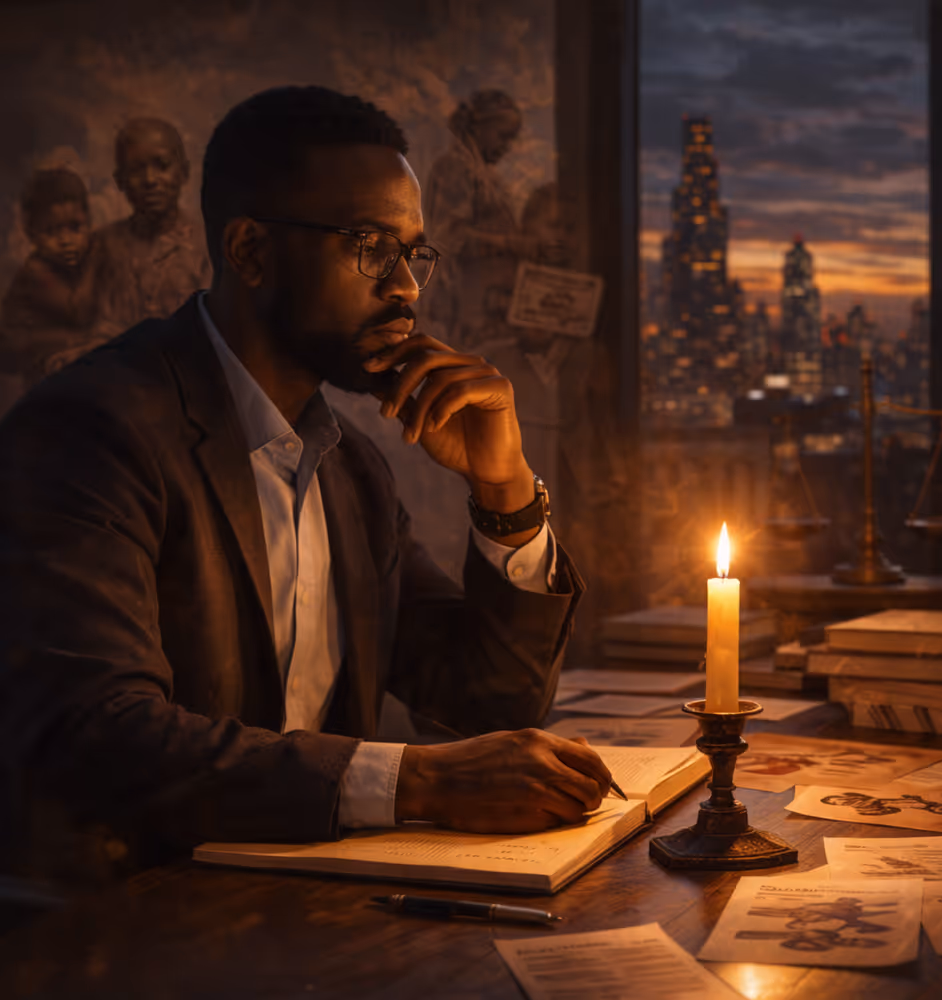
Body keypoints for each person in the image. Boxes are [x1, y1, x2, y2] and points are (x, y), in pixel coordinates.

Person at [0, 86, 608, 879]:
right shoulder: (90, 429)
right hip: (123, 936)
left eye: (413, 252)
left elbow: (488, 700)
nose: (407, 287)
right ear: (250, 251)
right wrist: (413, 780)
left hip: (304, 920)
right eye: (371, 245)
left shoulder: (350, 465)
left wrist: (505, 490)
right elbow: (95, 737)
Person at [422, 90, 529, 350]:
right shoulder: (454, 168)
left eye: (511, 139)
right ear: (479, 127)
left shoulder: (485, 174)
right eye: (502, 136)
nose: (507, 146)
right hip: (464, 299)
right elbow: (450, 238)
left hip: (486, 299)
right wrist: (510, 243)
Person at [93, 117, 211, 336]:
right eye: (136, 169)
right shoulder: (100, 246)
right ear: (120, 180)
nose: (149, 179)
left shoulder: (208, 245)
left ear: (184, 172)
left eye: (162, 166)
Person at [0, 168, 102, 386]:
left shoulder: (73, 264)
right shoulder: (36, 270)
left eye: (75, 227)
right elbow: (79, 311)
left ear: (89, 221)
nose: (65, 240)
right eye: (51, 231)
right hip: (30, 354)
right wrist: (94, 257)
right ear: (31, 234)